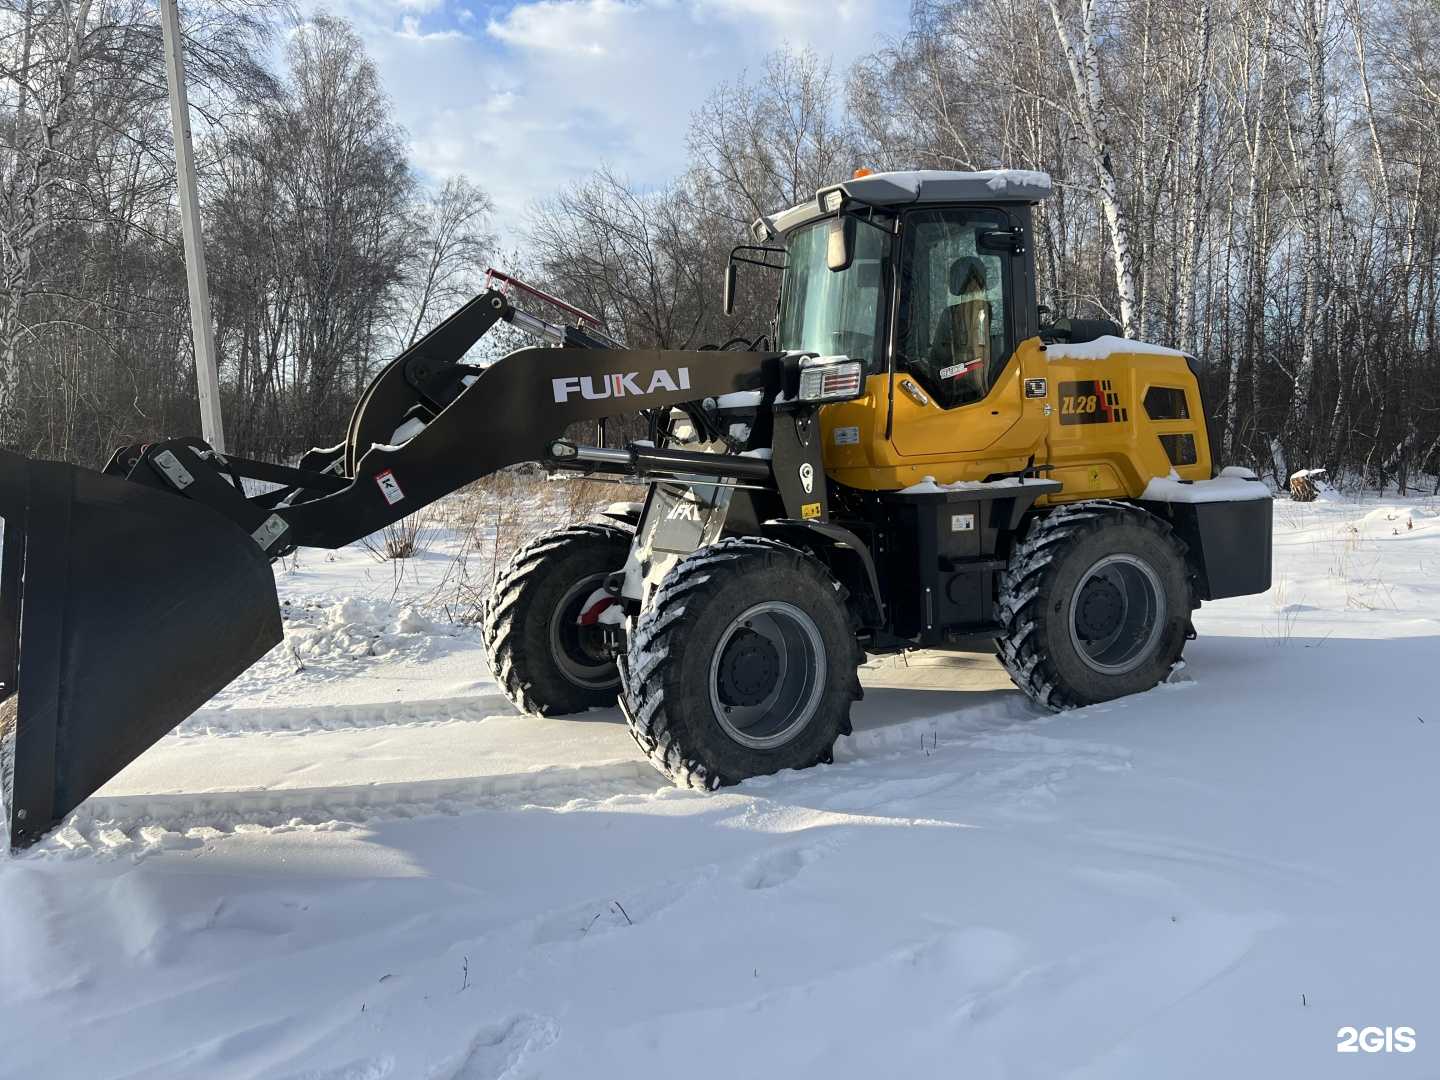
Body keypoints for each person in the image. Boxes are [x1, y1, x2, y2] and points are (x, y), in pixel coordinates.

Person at [928, 256, 992, 406]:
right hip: (975, 388)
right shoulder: (988, 312)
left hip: (961, 391)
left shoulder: (951, 314)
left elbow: (938, 356)